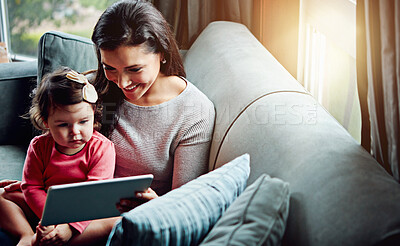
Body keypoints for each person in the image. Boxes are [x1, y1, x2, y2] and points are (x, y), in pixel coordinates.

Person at [1, 0, 215, 244]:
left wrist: (157, 203)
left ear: (162, 54)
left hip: (124, 214)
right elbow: (58, 142)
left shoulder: (194, 111)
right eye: (110, 68)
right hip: (70, 201)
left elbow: (184, 204)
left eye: (134, 69)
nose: (122, 83)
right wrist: (38, 183)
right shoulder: (95, 88)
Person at [0, 67, 116, 246]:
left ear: (94, 113)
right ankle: (26, 236)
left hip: (84, 212)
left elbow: (94, 195)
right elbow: (31, 187)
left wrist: (70, 226)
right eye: (63, 125)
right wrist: (51, 218)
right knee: (2, 195)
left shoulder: (102, 148)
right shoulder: (39, 146)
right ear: (46, 122)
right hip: (44, 206)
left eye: (83, 121)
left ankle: (56, 238)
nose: (75, 132)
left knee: (114, 220)